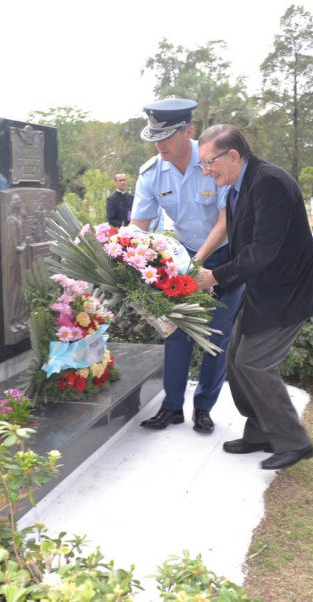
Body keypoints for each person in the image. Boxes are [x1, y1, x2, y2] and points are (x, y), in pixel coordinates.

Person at [193, 124, 313, 471]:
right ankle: (260, 431)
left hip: (289, 291)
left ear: (233, 155)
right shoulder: (236, 188)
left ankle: (294, 440)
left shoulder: (270, 182)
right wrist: (214, 283)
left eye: (210, 163)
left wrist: (213, 278)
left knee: (254, 362)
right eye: (202, 165)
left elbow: (262, 251)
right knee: (237, 359)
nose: (206, 171)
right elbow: (241, 249)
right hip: (264, 290)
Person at [129, 98, 242, 434]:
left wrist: (196, 264)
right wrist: (126, 256)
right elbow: (139, 225)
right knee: (175, 332)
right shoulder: (151, 173)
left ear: (188, 130)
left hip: (224, 257)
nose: (159, 144)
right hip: (182, 258)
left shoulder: (213, 161)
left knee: (215, 335)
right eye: (154, 138)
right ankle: (172, 407)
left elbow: (225, 221)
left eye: (165, 136)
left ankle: (204, 408)